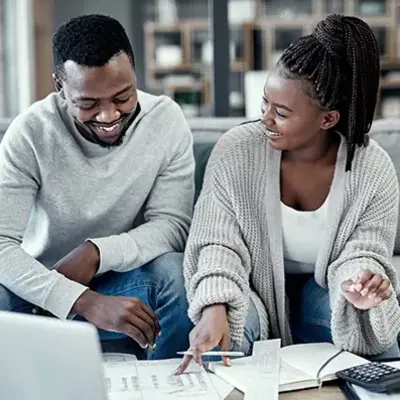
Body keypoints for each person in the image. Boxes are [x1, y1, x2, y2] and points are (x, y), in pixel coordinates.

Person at [176, 14, 400, 373]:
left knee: (377, 334)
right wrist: (214, 305)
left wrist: (361, 286)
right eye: (265, 103)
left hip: (325, 291)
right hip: (247, 289)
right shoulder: (237, 150)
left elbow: (366, 249)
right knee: (227, 327)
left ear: (327, 120)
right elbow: (216, 242)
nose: (265, 118)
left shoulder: (372, 169)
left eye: (281, 113)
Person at [0, 14, 195, 359]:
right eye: (88, 104)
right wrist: (80, 300)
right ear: (61, 87)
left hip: (118, 280)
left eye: (122, 97)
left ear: (135, 72)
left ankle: (171, 389)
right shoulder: (30, 133)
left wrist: (97, 253)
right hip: (38, 287)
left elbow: (173, 226)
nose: (108, 116)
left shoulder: (166, 120)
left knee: (174, 273)